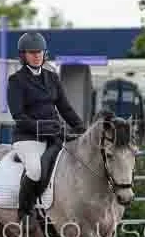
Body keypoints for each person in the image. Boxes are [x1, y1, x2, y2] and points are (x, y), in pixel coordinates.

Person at [6, 31, 86, 221]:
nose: (36, 56)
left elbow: (65, 108)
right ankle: (25, 212)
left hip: (54, 136)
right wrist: (44, 129)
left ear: (44, 53)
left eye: (39, 52)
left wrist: (82, 129)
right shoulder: (16, 81)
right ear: (23, 55)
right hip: (28, 138)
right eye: (32, 53)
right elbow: (19, 116)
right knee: (35, 171)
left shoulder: (52, 77)